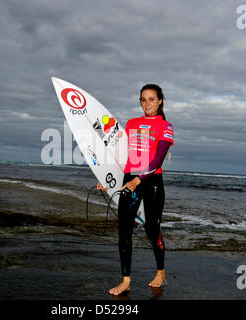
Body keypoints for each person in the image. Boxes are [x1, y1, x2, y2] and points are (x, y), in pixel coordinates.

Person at [97, 84, 174, 296]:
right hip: (130, 178)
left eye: (151, 99)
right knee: (124, 231)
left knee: (152, 229)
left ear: (160, 101)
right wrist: (107, 180)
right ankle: (126, 280)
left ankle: (160, 271)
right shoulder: (131, 123)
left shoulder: (165, 126)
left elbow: (158, 159)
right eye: (143, 99)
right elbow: (120, 155)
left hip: (152, 181)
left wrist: (139, 180)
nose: (147, 104)